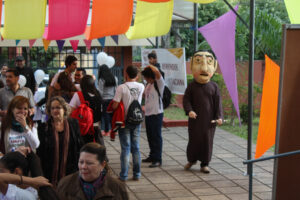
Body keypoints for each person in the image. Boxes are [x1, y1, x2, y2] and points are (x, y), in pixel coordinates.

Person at [183, 50, 223, 173]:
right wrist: (189, 110)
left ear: (214, 66)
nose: (204, 67)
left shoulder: (214, 87)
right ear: (191, 66)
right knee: (193, 140)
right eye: (198, 62)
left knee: (207, 141)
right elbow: (186, 100)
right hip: (195, 121)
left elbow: (218, 103)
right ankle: (192, 159)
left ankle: (205, 164)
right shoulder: (191, 86)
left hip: (209, 121)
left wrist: (219, 116)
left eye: (209, 62)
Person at [37, 96, 84, 186]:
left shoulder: (73, 124)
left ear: (64, 109)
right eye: (52, 108)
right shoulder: (43, 127)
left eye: (58, 107)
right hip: (49, 168)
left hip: (70, 167)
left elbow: (79, 145)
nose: (55, 110)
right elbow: (40, 151)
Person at [57, 142, 129, 200]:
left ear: (102, 165)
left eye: (89, 163)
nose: (83, 167)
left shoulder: (117, 188)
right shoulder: (65, 184)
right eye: (81, 162)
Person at [111, 66, 144, 181]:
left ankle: (124, 175)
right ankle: (137, 174)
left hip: (124, 121)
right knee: (136, 148)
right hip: (136, 119)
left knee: (125, 148)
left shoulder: (121, 87)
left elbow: (115, 105)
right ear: (137, 76)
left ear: (126, 75)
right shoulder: (141, 86)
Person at [141, 65, 165, 168]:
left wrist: (150, 65)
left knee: (156, 137)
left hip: (156, 113)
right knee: (150, 136)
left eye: (146, 77)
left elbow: (157, 72)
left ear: (151, 76)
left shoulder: (159, 83)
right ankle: (152, 156)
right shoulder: (148, 84)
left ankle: (158, 159)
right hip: (148, 114)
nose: (145, 79)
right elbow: (144, 96)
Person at [69, 75, 103, 144]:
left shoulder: (78, 95)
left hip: (83, 128)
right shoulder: (98, 94)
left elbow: (70, 111)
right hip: (96, 128)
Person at [98, 64, 118, 137]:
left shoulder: (101, 79)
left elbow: (100, 91)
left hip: (105, 100)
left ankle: (107, 131)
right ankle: (114, 131)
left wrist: (100, 99)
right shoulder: (114, 78)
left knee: (106, 115)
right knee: (113, 115)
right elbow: (116, 89)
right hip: (113, 99)